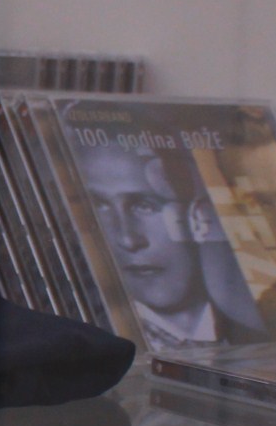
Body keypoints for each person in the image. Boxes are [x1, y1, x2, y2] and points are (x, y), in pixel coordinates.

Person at [74, 140, 265, 351]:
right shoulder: (85, 345)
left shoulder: (262, 338)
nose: (128, 240)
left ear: (200, 215)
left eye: (145, 205)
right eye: (99, 207)